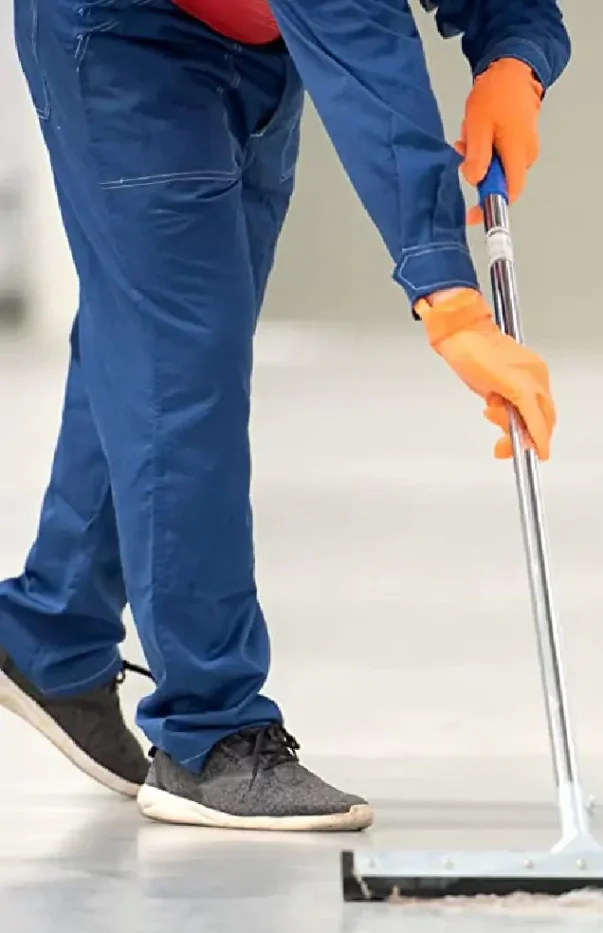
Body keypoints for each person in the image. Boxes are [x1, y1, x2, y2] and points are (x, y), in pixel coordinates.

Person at [2, 0, 569, 831]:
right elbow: (366, 56)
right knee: (183, 364)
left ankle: (52, 630)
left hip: (259, 49)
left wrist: (516, 58)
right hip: (120, 38)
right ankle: (209, 734)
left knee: (163, 346)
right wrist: (448, 301)